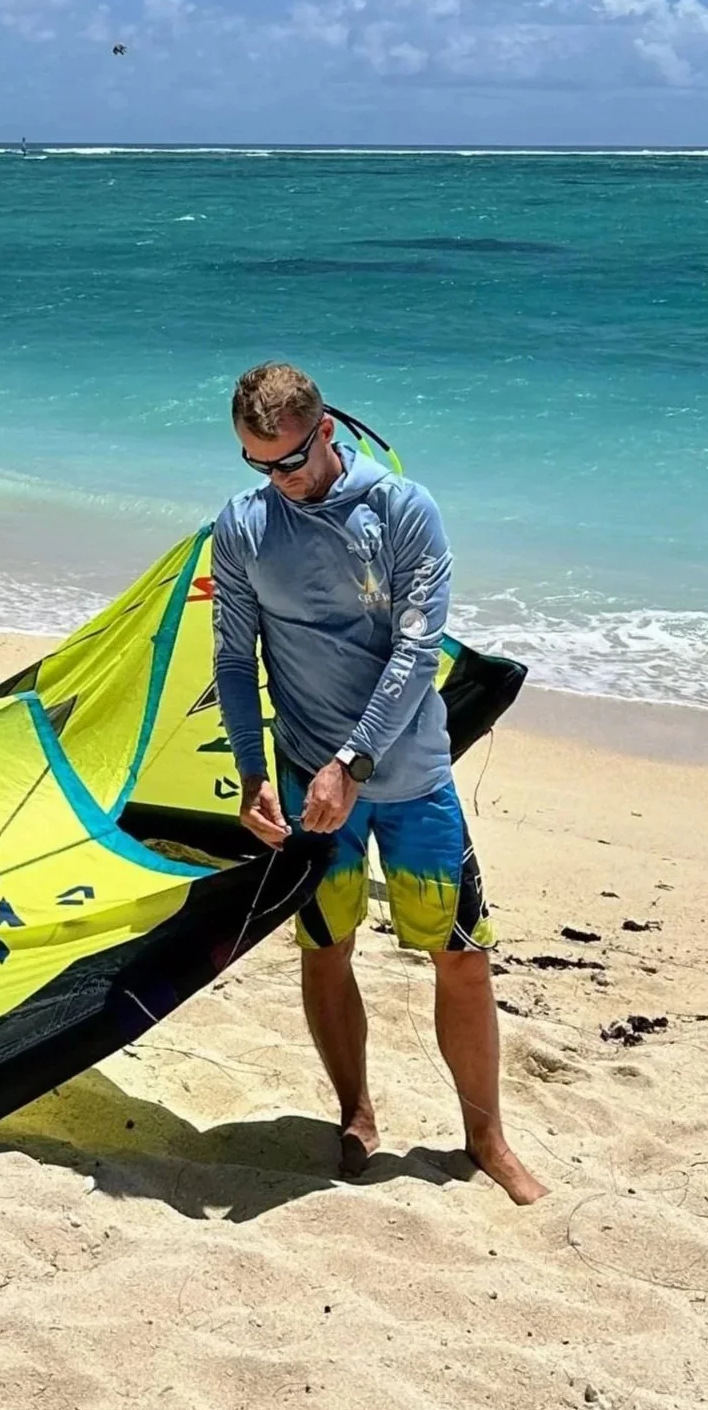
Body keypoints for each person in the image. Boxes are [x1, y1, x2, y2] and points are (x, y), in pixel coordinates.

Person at [212, 361, 543, 1202]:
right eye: (257, 465)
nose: (276, 482)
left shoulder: (401, 510)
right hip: (307, 784)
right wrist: (254, 770)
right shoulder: (245, 527)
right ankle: (356, 1113)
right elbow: (231, 656)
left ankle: (487, 1139)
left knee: (461, 958)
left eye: (287, 461)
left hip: (408, 776)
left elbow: (417, 652)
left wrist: (352, 762)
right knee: (327, 948)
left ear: (325, 433)